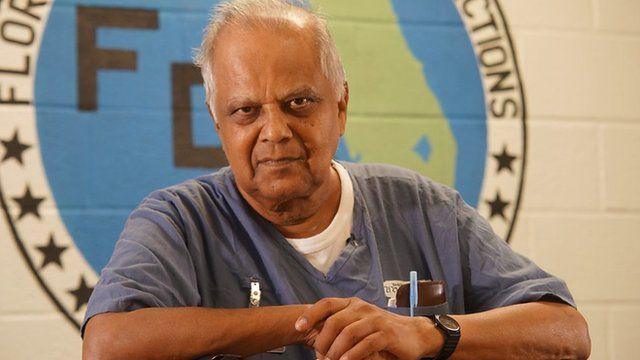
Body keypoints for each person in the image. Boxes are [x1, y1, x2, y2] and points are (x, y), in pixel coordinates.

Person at [81, 1, 591, 359]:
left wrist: (426, 334)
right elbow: (108, 345)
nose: (274, 132)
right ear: (218, 121)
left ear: (341, 106)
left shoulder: (424, 208)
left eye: (299, 102)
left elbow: (566, 332)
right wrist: (314, 322)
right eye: (246, 111)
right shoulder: (179, 221)